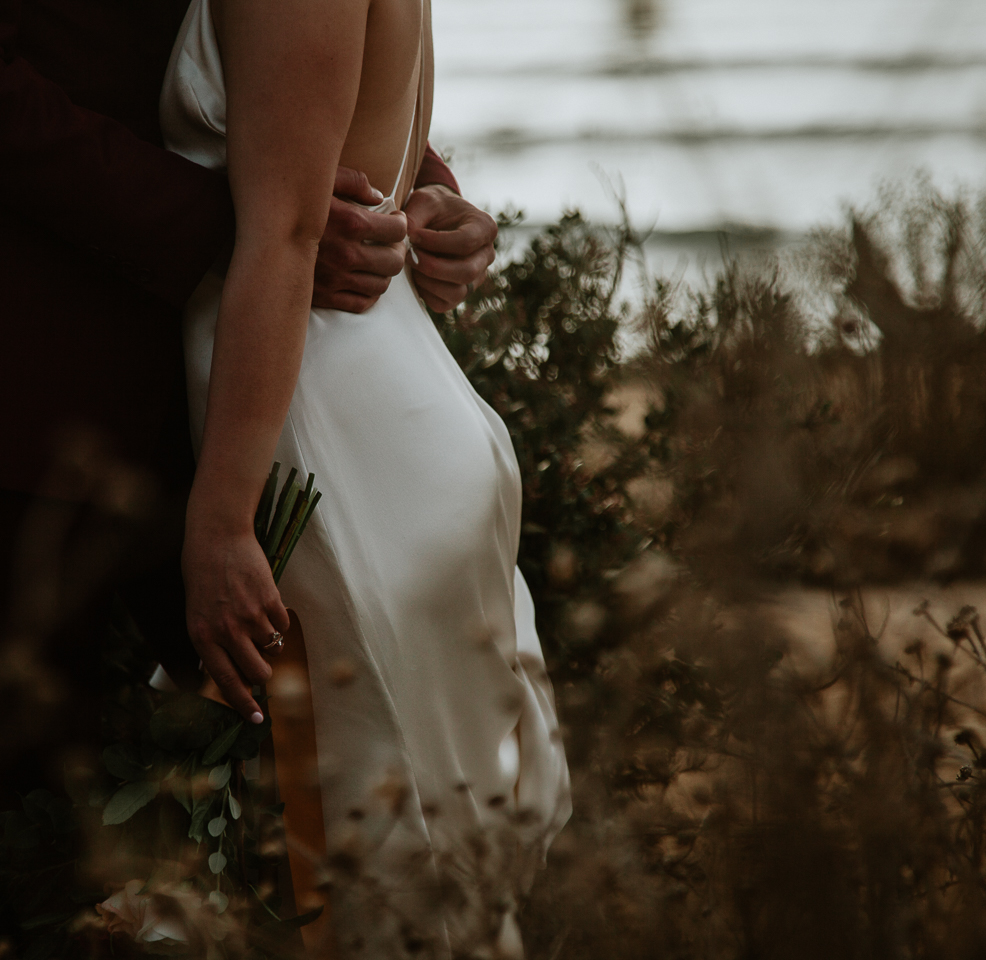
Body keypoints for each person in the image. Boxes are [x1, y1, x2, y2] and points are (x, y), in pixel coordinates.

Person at [0, 0, 497, 954]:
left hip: (229, 385)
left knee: (291, 790)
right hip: (13, 364)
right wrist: (252, 226)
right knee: (8, 815)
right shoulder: (232, 240)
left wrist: (402, 187)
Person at [163, 0, 573, 953]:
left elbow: (288, 234)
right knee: (407, 859)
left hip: (322, 429)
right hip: (377, 392)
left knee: (381, 869)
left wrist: (222, 522)